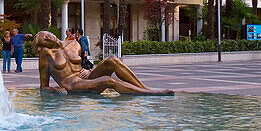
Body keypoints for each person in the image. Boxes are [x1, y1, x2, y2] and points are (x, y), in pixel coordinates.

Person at [34, 30, 172, 95]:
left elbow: (80, 62)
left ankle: (145, 89)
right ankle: (150, 94)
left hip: (86, 76)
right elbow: (43, 86)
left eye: (46, 34)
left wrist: (87, 71)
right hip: (72, 83)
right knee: (107, 80)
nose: (48, 37)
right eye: (44, 39)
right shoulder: (46, 55)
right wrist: (55, 90)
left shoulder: (73, 44)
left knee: (111, 60)